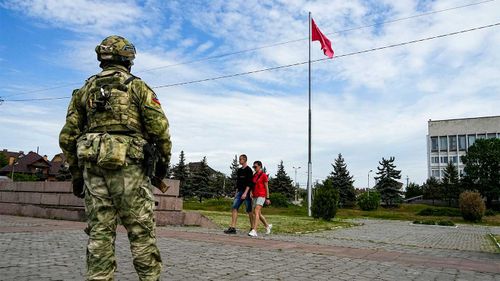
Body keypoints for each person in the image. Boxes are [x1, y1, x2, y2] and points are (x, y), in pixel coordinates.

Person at [59, 35, 171, 281]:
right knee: (141, 232)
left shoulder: (84, 90)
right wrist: (162, 167)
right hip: (129, 167)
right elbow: (160, 130)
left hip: (92, 166)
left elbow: (67, 137)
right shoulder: (137, 87)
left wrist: (77, 176)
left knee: (99, 233)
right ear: (128, 59)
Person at [224, 154, 253, 234]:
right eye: (239, 159)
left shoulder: (249, 170)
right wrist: (236, 193)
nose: (239, 161)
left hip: (246, 192)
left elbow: (249, 183)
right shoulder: (239, 170)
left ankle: (253, 228)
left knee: (249, 210)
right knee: (234, 207)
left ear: (245, 160)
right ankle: (233, 228)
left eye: (241, 159)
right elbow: (238, 183)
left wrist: (246, 193)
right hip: (239, 192)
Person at [248, 161, 272, 237]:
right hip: (255, 195)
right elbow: (252, 185)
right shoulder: (254, 175)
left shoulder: (264, 175)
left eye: (255, 167)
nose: (254, 168)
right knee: (257, 213)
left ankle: (254, 230)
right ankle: (267, 226)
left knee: (256, 211)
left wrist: (267, 198)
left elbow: (266, 187)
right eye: (253, 167)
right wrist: (251, 192)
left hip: (262, 195)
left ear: (260, 166)